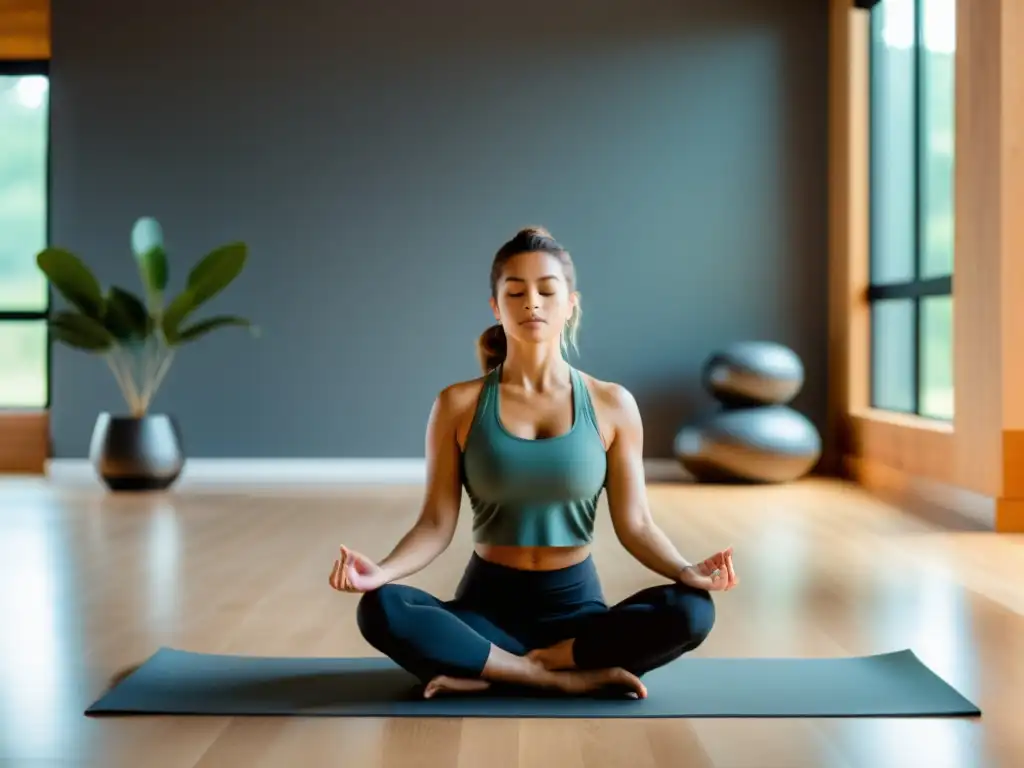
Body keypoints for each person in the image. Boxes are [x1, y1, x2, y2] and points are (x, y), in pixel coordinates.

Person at [329, 226, 738, 700]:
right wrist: (380, 571)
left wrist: (686, 570)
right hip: (485, 614)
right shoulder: (457, 405)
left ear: (571, 303)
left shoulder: (612, 404)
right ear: (495, 306)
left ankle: (516, 667)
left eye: (547, 290)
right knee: (380, 607)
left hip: (577, 619)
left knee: (693, 611)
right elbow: (436, 523)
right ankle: (545, 675)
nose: (532, 304)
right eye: (515, 291)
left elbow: (637, 524)